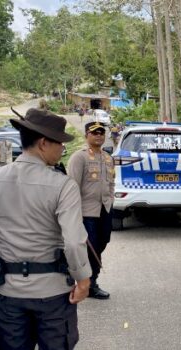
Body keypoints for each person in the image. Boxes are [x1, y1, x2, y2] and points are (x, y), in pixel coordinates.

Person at [0, 108, 92, 350]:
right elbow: (74, 242)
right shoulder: (62, 185)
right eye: (60, 144)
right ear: (44, 143)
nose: (61, 150)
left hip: (9, 293)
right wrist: (83, 279)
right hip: (53, 294)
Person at [67, 121, 115, 300]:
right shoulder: (79, 157)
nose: (99, 136)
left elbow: (111, 183)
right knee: (90, 247)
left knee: (102, 243)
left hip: (104, 209)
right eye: (94, 133)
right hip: (86, 212)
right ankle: (89, 283)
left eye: (102, 133)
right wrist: (74, 214)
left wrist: (111, 200)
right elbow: (72, 187)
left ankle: (89, 280)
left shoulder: (108, 157)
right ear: (86, 135)